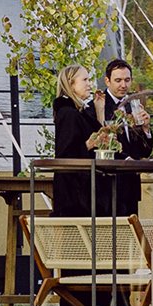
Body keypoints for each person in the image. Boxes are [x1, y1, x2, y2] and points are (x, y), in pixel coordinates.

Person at [92, 57, 147, 216]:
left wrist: (146, 129)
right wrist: (126, 159)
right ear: (107, 81)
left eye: (127, 80)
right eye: (118, 80)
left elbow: (144, 151)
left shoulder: (135, 106)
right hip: (106, 184)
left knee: (131, 233)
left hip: (130, 183)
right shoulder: (97, 105)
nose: (123, 85)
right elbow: (98, 143)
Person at [49, 65, 100, 216]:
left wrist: (100, 110)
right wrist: (88, 145)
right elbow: (64, 153)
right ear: (71, 84)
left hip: (78, 189)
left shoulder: (77, 112)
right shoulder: (68, 114)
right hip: (74, 192)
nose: (89, 84)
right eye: (85, 80)